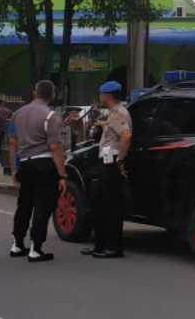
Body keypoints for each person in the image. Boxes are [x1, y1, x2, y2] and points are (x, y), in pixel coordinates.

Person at [9, 80, 69, 262]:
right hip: (44, 164)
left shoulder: (17, 114)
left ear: (34, 92)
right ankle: (36, 248)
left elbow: (12, 143)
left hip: (24, 164)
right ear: (52, 95)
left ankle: (17, 244)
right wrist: (62, 175)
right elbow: (55, 147)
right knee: (42, 206)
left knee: (24, 205)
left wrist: (14, 170)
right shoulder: (51, 116)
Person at [81, 81, 131, 259]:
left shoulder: (118, 113)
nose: (99, 97)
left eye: (101, 94)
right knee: (100, 204)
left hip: (112, 163)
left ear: (108, 95)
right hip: (106, 160)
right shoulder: (113, 112)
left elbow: (126, 136)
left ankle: (114, 247)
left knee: (112, 206)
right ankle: (100, 245)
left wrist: (120, 159)